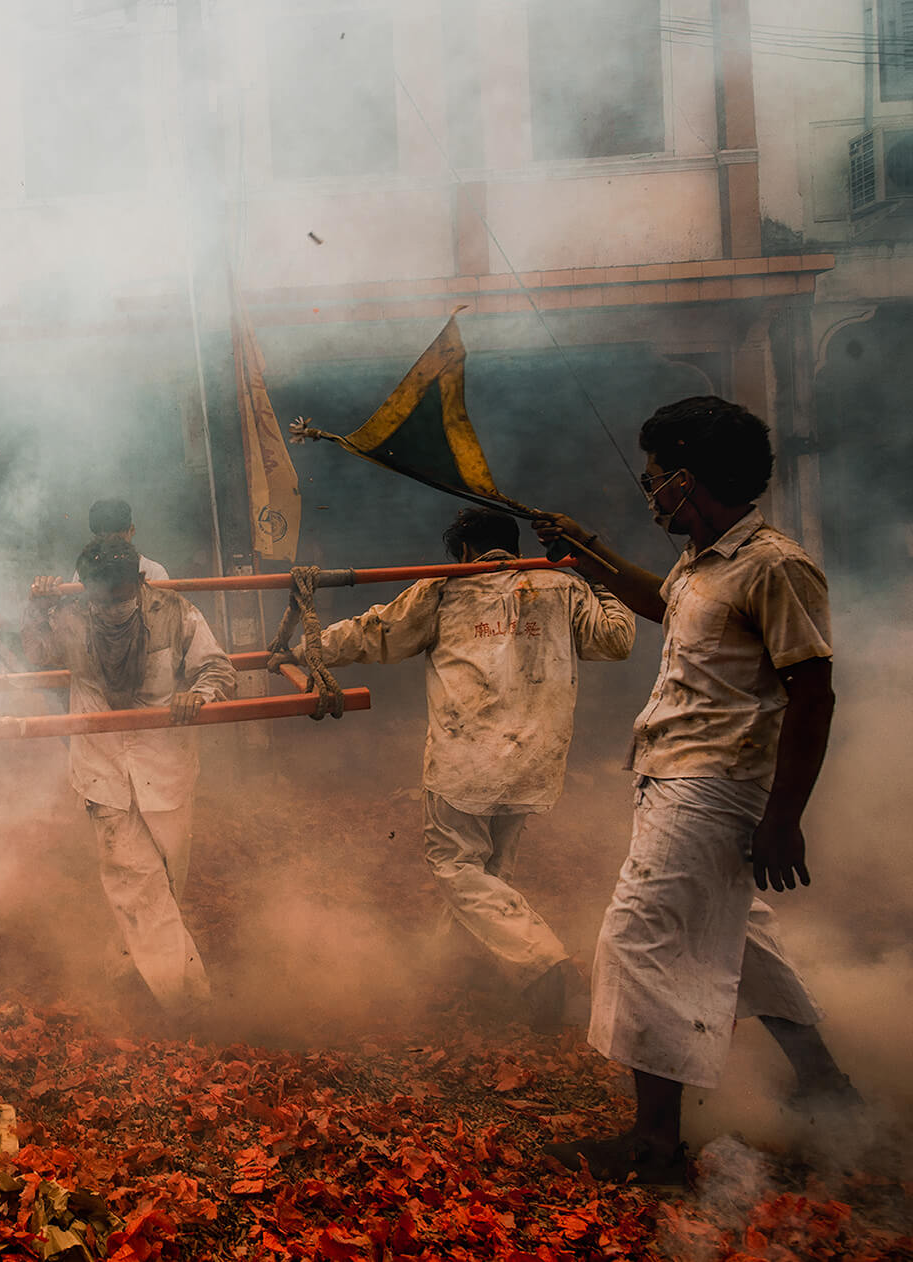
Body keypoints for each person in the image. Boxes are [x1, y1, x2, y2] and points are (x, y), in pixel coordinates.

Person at [534, 396, 855, 1186]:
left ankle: (654, 1145)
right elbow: (664, 603)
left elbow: (812, 694)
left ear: (685, 478)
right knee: (745, 943)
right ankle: (827, 1089)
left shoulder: (774, 564)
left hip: (711, 786)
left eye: (654, 479)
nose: (649, 494)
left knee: (641, 943)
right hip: (682, 778)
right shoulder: (705, 563)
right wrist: (589, 553)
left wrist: (786, 818)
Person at [294, 507, 635, 1029]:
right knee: (493, 870)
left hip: (466, 759)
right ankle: (459, 969)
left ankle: (545, 963)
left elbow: (376, 632)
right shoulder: (562, 587)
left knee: (456, 867)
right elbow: (616, 639)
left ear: (466, 552)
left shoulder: (446, 588)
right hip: (535, 759)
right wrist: (597, 578)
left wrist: (302, 650)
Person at [26, 537, 235, 1018]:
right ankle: (188, 1002)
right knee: (134, 879)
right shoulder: (71, 615)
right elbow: (36, 655)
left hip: (167, 768)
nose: (111, 606)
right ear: (86, 590)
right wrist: (37, 606)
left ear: (140, 583)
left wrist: (198, 695)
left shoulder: (174, 611)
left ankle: (122, 972)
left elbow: (217, 668)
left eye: (120, 594)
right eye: (99, 596)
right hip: (103, 771)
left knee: (163, 880)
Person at [72, 498, 169, 583]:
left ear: (131, 530)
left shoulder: (154, 573)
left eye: (117, 539)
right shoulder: (86, 571)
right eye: (103, 539)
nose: (111, 545)